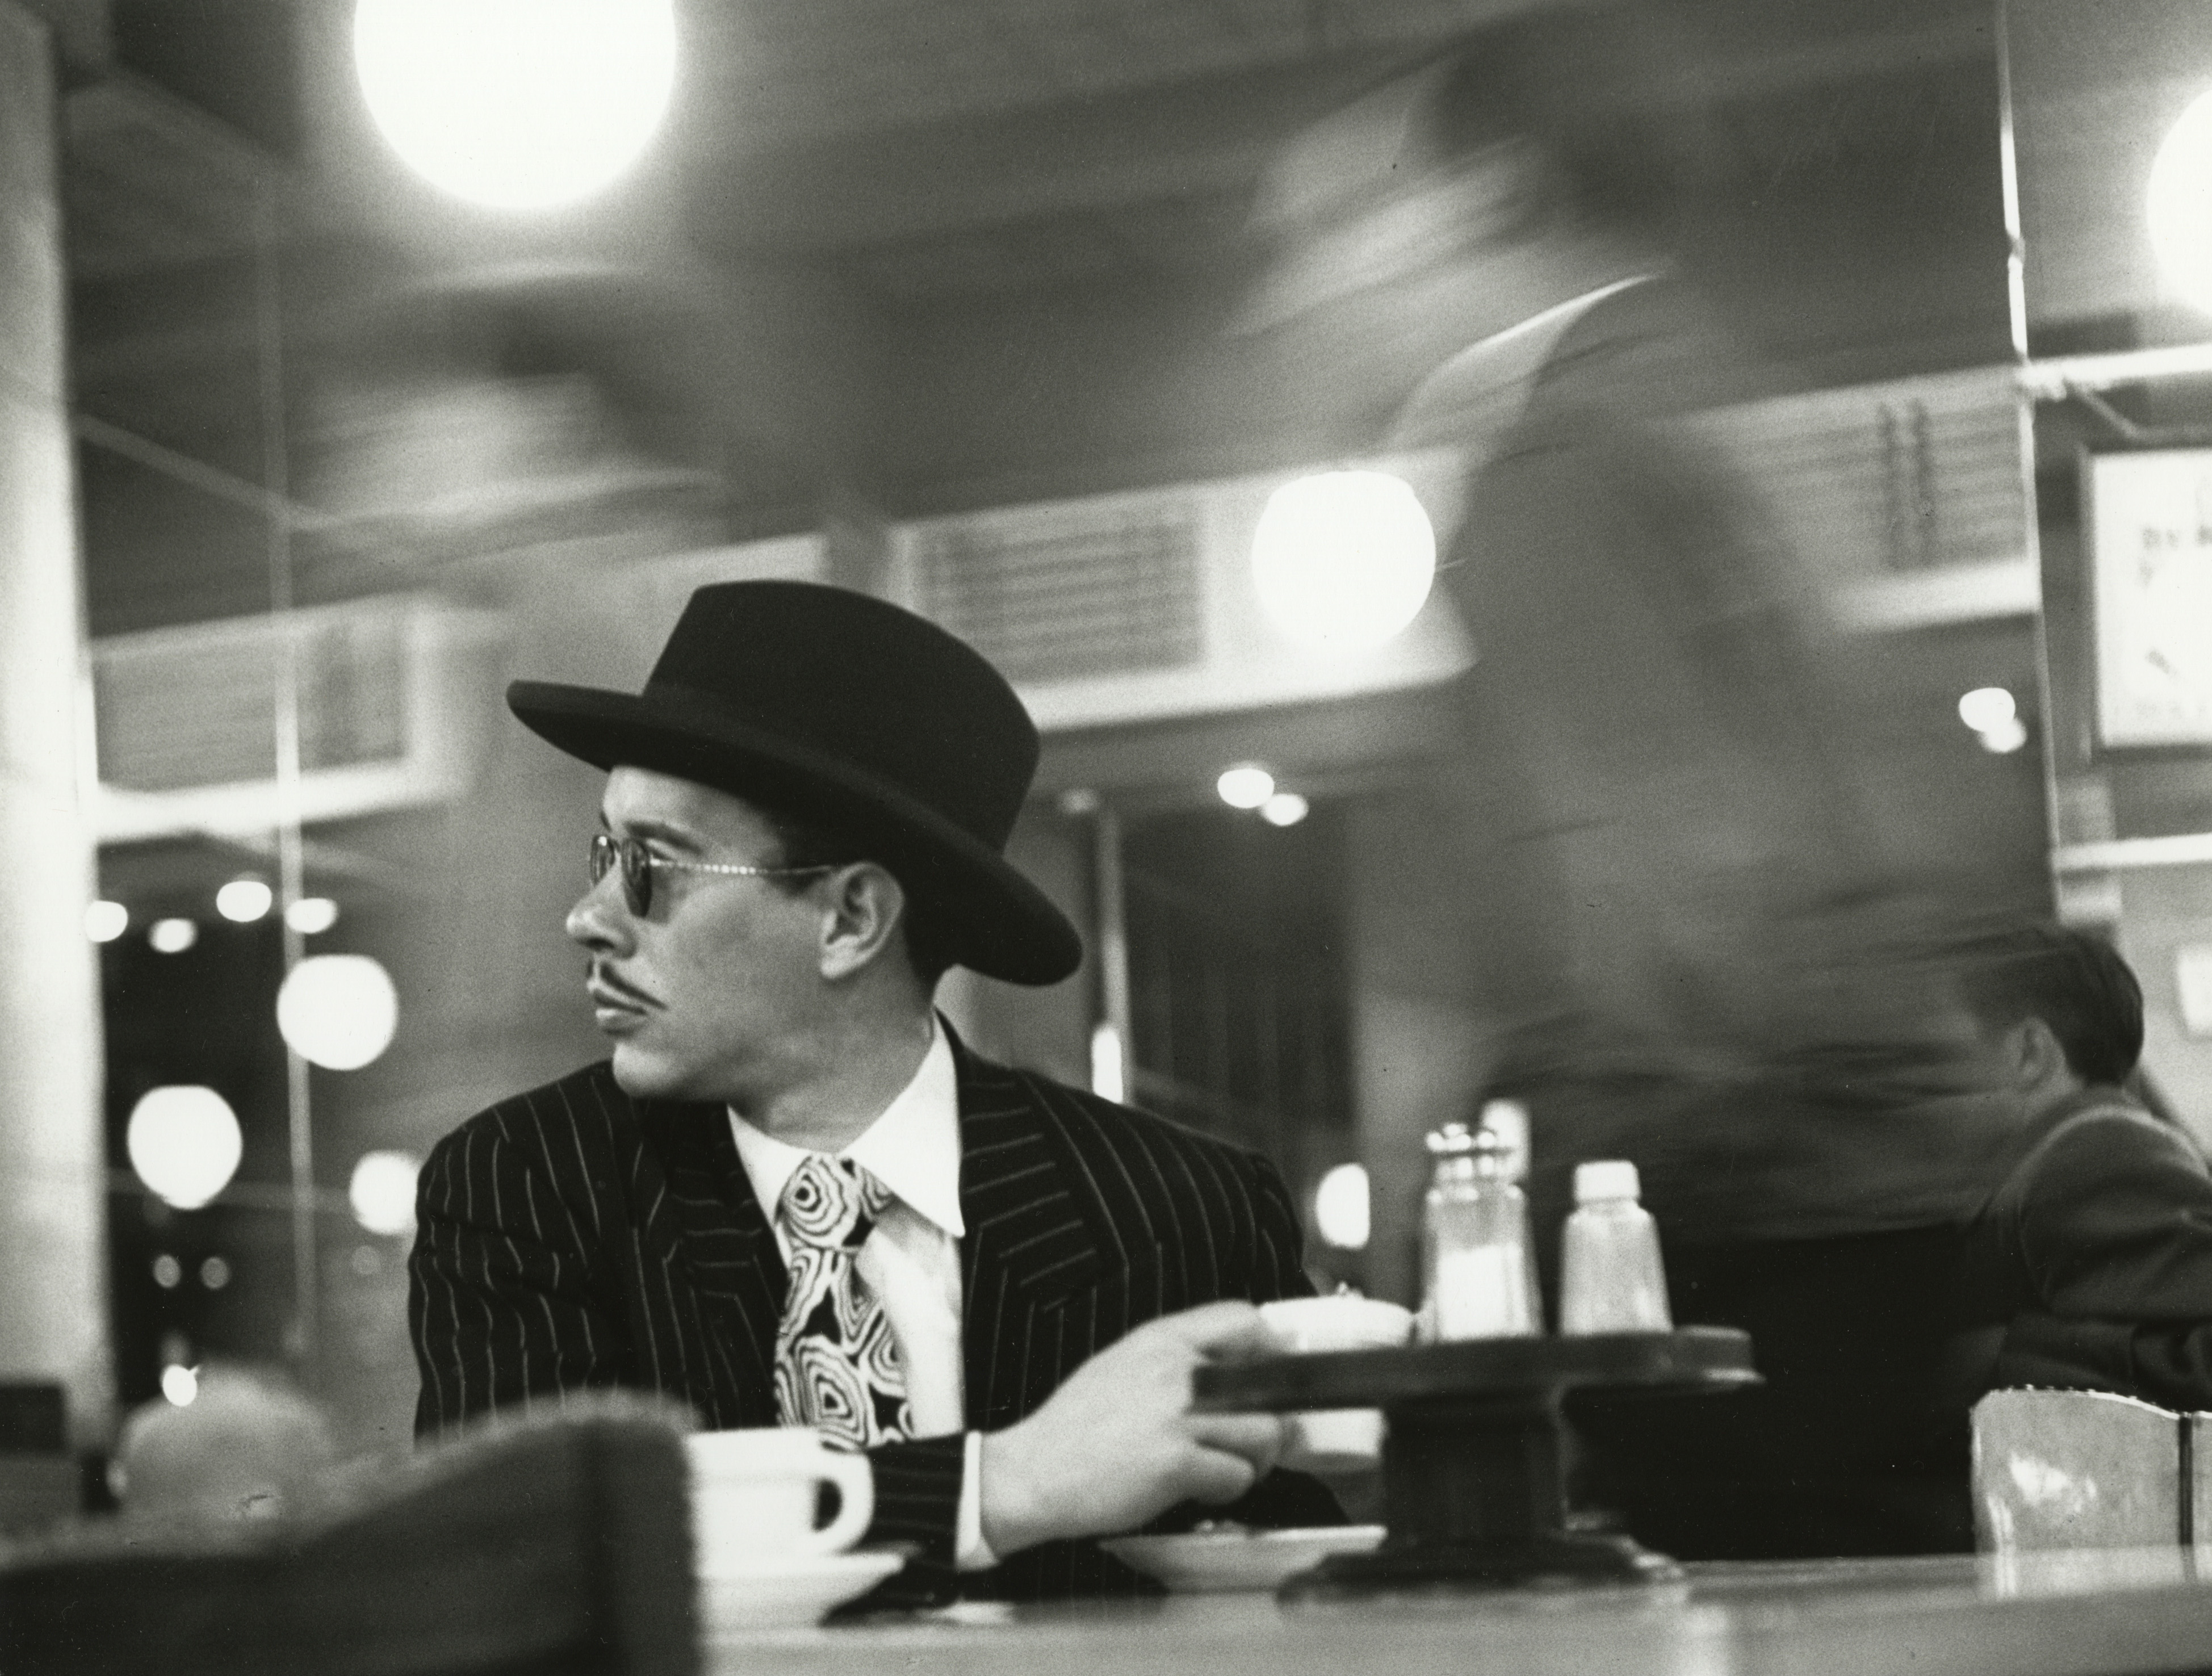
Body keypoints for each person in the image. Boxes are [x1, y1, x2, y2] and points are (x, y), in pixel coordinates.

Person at [1245, 6, 2031, 1557]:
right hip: (1861, 1204)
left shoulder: (1558, 456)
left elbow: (1678, 893)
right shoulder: (1673, 389)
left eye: (1340, 227)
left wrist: (1488, 1201)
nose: (1296, 291)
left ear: (1480, 200)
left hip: (1744, 1233)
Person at [406, 580, 1335, 1604]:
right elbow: (525, 1567)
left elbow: (1298, 1576)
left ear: (850, 917)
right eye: (605, 852)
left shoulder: (1179, 1214)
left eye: (652, 867)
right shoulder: (531, 1185)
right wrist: (1001, 1484)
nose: (589, 916)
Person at [1947, 923, 2212, 1411]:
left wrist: (2005, 1359)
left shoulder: (2093, 1156)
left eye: (1945, 1057)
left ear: (2030, 1052)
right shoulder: (2057, 1162)